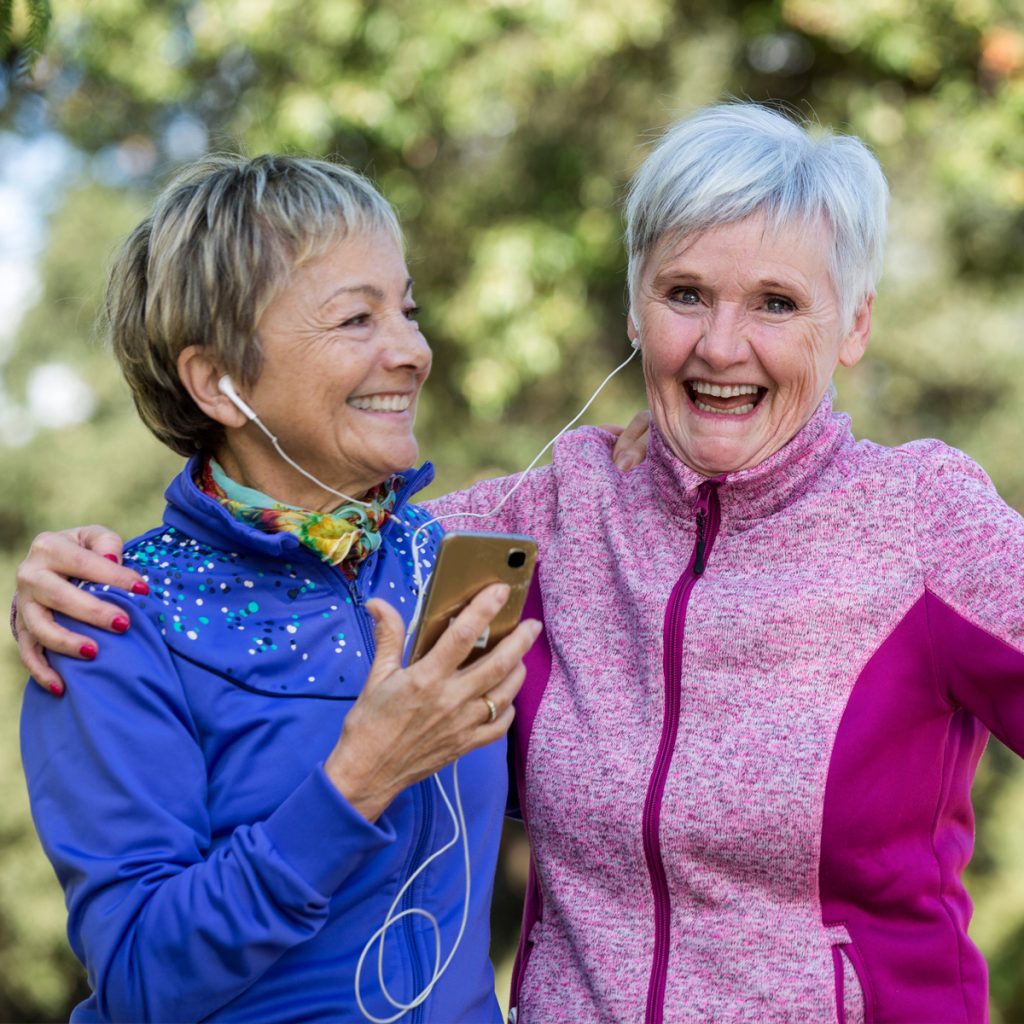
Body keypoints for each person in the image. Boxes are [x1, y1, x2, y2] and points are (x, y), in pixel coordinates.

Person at [16, 103, 1024, 1023]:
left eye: (775, 303)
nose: (722, 345)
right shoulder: (507, 531)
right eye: (684, 294)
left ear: (853, 323)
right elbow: (282, 530)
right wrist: (69, 562)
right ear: (636, 312)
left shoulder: (917, 520)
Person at [16, 153, 550, 1023]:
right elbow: (142, 982)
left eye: (407, 310)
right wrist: (357, 780)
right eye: (356, 319)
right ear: (218, 382)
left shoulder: (452, 557)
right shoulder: (110, 618)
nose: (412, 351)